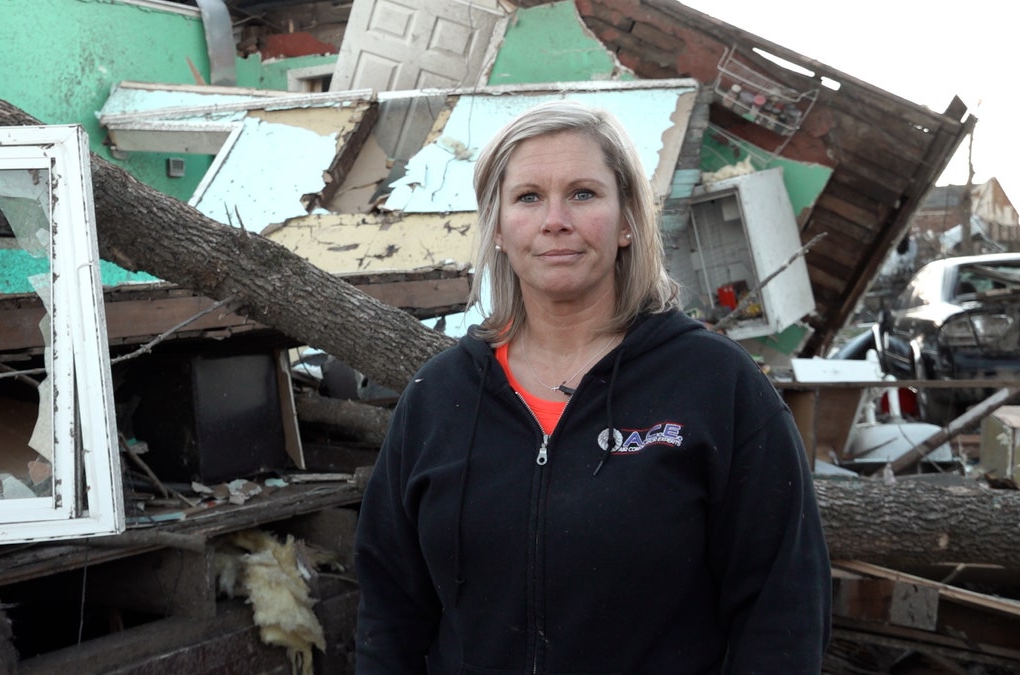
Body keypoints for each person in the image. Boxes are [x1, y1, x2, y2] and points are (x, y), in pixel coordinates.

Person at [353, 99, 831, 673]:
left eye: (583, 193)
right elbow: (389, 613)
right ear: (499, 228)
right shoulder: (437, 398)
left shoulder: (716, 386)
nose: (556, 219)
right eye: (528, 197)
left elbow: (783, 611)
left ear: (628, 220)